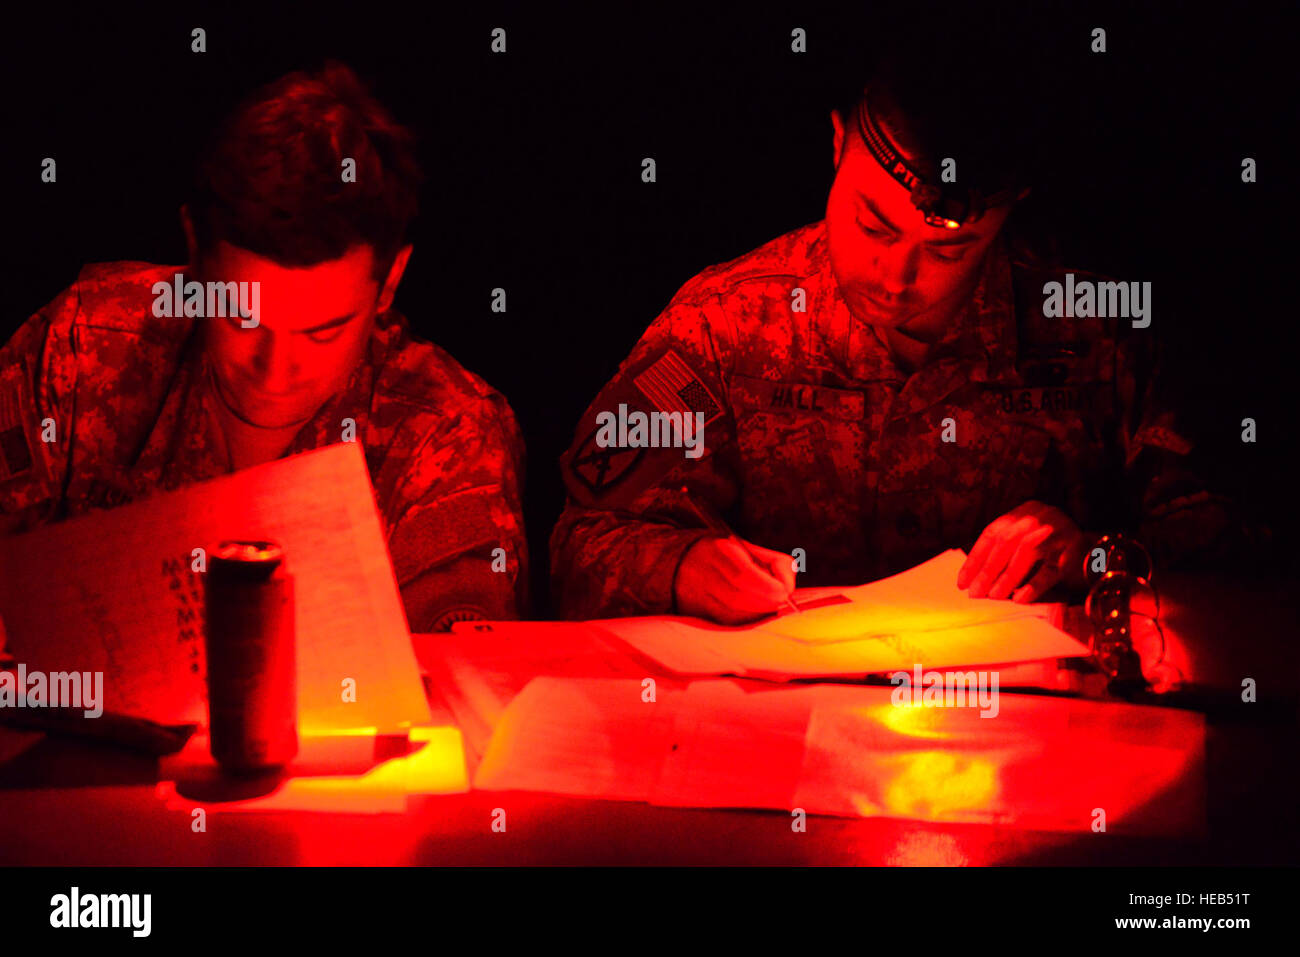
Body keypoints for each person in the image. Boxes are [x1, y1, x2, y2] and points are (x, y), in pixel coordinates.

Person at [550, 32, 1239, 625]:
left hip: (1041, 742)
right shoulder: (723, 324)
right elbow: (581, 537)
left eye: (949, 251)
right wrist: (682, 566)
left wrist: (1092, 554)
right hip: (779, 743)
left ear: (1012, 210)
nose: (896, 275)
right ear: (835, 142)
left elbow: (1236, 555)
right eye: (871, 223)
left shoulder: (1098, 326)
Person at [0, 62, 529, 633]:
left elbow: (464, 668)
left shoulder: (445, 432)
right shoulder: (84, 348)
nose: (275, 373)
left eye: (323, 331)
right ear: (196, 251)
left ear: (391, 280)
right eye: (240, 318)